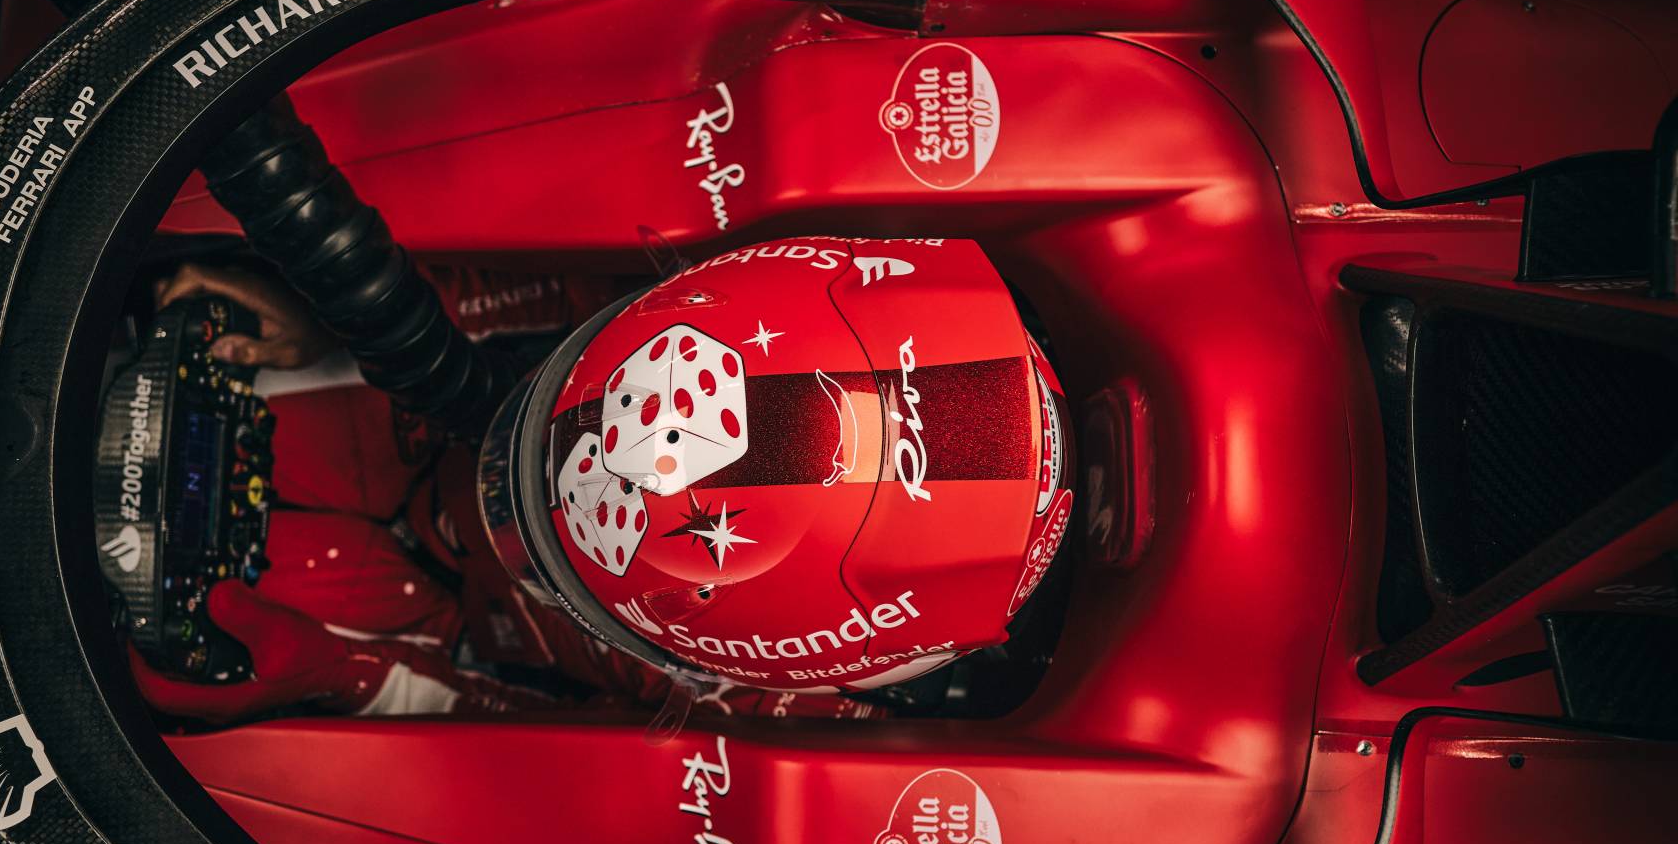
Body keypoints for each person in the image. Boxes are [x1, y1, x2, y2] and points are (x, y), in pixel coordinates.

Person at [129, 237, 1071, 726]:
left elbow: (537, 752)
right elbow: (522, 285)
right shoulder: (708, 290)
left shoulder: (781, 703)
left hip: (442, 628)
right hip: (425, 402)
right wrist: (331, 307)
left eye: (554, 555)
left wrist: (347, 681)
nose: (504, 508)